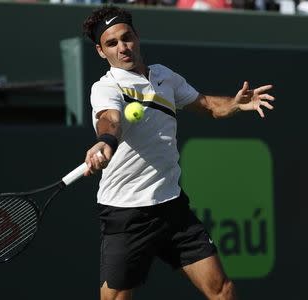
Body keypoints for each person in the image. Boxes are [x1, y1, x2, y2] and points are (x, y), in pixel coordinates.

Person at [81, 6, 275, 300]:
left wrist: (234, 105)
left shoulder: (164, 77)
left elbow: (208, 105)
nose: (122, 48)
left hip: (172, 207)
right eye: (112, 43)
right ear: (100, 51)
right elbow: (110, 119)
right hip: (127, 212)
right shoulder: (106, 87)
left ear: (137, 36)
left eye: (126, 38)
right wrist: (105, 141)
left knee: (222, 290)